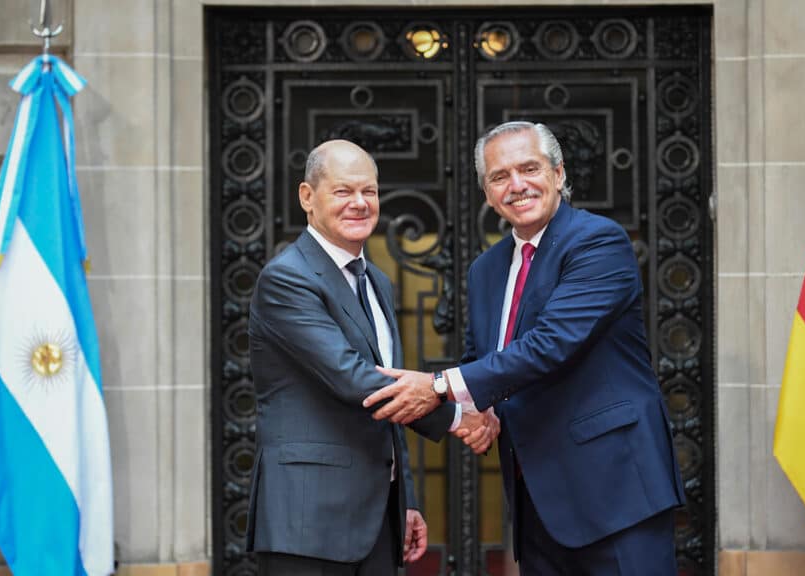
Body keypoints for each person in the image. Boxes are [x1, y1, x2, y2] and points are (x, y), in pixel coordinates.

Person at [365, 122, 686, 574]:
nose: (516, 185)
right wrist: (481, 412)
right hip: (537, 498)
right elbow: (483, 359)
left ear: (558, 173)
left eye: (529, 168)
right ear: (487, 193)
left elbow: (551, 344)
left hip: (616, 489)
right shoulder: (485, 269)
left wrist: (437, 387)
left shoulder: (597, 241)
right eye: (500, 177)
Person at [246, 139, 498, 575]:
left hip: (377, 517)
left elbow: (389, 395)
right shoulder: (287, 279)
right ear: (308, 197)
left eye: (370, 191)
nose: (360, 203)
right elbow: (354, 379)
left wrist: (406, 500)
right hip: (309, 522)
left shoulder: (377, 281)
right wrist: (459, 416)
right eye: (343, 191)